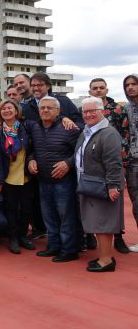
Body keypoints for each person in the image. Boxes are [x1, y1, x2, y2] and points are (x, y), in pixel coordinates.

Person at [28, 96, 80, 263]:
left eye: (49, 108)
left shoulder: (69, 128)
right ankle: (54, 246)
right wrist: (31, 159)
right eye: (42, 108)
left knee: (66, 217)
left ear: (58, 111)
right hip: (43, 180)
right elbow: (33, 149)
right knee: (49, 216)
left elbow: (80, 152)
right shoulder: (35, 127)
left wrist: (68, 163)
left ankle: (69, 250)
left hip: (63, 181)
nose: (45, 110)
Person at [74, 97, 124, 272]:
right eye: (85, 111)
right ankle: (106, 256)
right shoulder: (86, 131)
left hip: (103, 186)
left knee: (103, 224)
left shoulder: (108, 133)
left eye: (92, 111)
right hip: (90, 185)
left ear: (101, 111)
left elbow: (114, 163)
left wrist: (113, 186)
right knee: (99, 223)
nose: (88, 114)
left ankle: (106, 261)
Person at [84, 78, 130, 253]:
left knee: (114, 203)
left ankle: (118, 237)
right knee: (95, 204)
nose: (98, 90)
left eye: (101, 88)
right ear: (90, 91)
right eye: (94, 88)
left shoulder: (118, 109)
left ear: (107, 90)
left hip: (114, 159)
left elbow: (125, 134)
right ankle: (91, 236)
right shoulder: (87, 110)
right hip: (95, 163)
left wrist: (123, 162)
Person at [0, 101, 35, 254]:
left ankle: (23, 236)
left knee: (27, 208)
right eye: (3, 108)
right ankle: (13, 237)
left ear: (17, 111)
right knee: (11, 208)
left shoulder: (26, 126)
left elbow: (34, 146)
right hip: (8, 176)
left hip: (25, 174)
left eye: (10, 108)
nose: (7, 111)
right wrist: (0, 180)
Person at [123, 74, 138, 252]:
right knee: (136, 202)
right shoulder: (125, 109)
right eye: (127, 85)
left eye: (134, 84)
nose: (131, 88)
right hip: (132, 162)